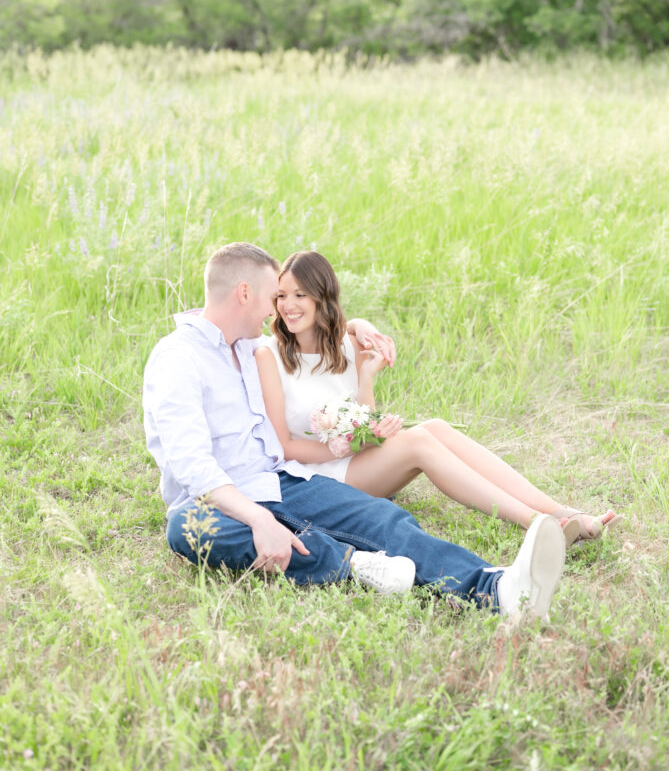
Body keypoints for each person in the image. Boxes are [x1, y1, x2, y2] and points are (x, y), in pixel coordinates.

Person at [143, 242, 567, 620]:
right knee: (185, 527)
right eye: (272, 297)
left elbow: (310, 326)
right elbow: (190, 463)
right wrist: (256, 518)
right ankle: (354, 564)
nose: (276, 310)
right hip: (216, 502)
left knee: (383, 518)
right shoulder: (178, 358)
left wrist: (357, 324)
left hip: (281, 480)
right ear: (244, 294)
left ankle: (498, 589)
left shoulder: (248, 346)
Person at [255, 251, 621, 546]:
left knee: (436, 428)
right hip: (318, 476)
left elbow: (360, 417)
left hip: (356, 462)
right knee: (419, 443)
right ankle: (539, 525)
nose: (289, 305)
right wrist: (349, 447)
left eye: (300, 294)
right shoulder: (269, 356)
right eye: (282, 295)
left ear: (322, 298)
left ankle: (561, 511)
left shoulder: (347, 346)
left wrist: (367, 383)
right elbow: (284, 447)